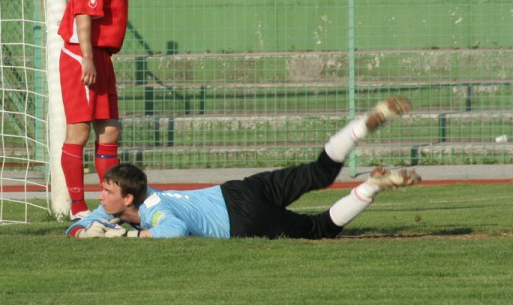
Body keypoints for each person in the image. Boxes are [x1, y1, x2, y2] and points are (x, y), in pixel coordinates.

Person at [68, 97, 422, 239]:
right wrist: (83, 231)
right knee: (320, 172)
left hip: (240, 218)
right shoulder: (128, 201)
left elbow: (172, 232)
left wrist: (131, 236)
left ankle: (372, 187)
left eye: (107, 191)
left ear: (128, 198)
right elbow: (86, 222)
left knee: (319, 229)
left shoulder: (154, 209)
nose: (101, 196)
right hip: (240, 188)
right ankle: (361, 126)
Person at [58, 0, 144, 220]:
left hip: (100, 55)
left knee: (109, 133)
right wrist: (87, 59)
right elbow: (83, 14)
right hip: (81, 54)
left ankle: (108, 206)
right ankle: (77, 209)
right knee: (79, 133)